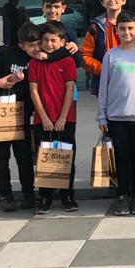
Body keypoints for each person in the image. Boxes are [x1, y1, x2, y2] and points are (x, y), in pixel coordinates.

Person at [97, 11, 135, 217]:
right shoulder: (110, 55)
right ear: (116, 31)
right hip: (116, 116)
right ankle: (122, 195)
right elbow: (103, 88)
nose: (126, 32)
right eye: (122, 29)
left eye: (130, 28)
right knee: (121, 158)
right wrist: (101, 115)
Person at [0, 21, 43, 212]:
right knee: (1, 159)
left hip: (24, 116)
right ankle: (6, 196)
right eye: (31, 45)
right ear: (21, 45)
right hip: (2, 115)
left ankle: (29, 194)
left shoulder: (42, 58)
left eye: (38, 44)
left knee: (25, 158)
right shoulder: (6, 54)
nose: (36, 48)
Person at [29, 21, 78, 213]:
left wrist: (63, 117)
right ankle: (45, 197)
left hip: (66, 118)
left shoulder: (67, 61)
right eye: (45, 40)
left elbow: (69, 89)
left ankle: (67, 195)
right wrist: (44, 117)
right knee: (44, 157)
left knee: (67, 156)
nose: (49, 44)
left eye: (53, 40)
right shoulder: (35, 63)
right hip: (43, 119)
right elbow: (34, 91)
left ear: (62, 42)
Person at [82, 0, 127, 95]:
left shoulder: (133, 25)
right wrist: (103, 70)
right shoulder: (96, 27)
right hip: (104, 83)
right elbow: (84, 56)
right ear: (102, 2)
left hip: (129, 79)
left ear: (123, 0)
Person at [41, 0, 81, 65]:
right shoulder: (37, 30)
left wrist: (75, 50)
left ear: (63, 8)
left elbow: (78, 63)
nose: (52, 10)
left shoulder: (70, 32)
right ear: (43, 7)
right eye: (49, 6)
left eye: (56, 7)